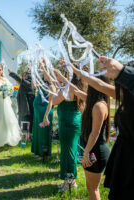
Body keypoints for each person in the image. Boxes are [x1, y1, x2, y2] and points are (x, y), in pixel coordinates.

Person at [70, 57, 134, 199]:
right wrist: (74, 71)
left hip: (121, 156)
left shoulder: (100, 105)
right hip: (122, 155)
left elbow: (95, 132)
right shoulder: (124, 97)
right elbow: (97, 85)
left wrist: (122, 71)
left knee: (94, 188)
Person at [43, 69, 85, 191]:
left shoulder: (68, 89)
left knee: (68, 154)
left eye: (66, 72)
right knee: (69, 152)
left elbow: (54, 101)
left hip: (68, 124)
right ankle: (68, 180)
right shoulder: (75, 87)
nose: (63, 74)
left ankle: (70, 183)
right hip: (72, 122)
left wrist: (52, 92)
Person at [8, 68, 35, 133]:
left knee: (26, 124)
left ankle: (27, 137)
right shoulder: (26, 84)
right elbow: (20, 81)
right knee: (22, 123)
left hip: (27, 110)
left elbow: (20, 80)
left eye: (24, 76)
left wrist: (11, 73)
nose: (23, 77)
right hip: (24, 109)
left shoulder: (29, 83)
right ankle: (24, 135)